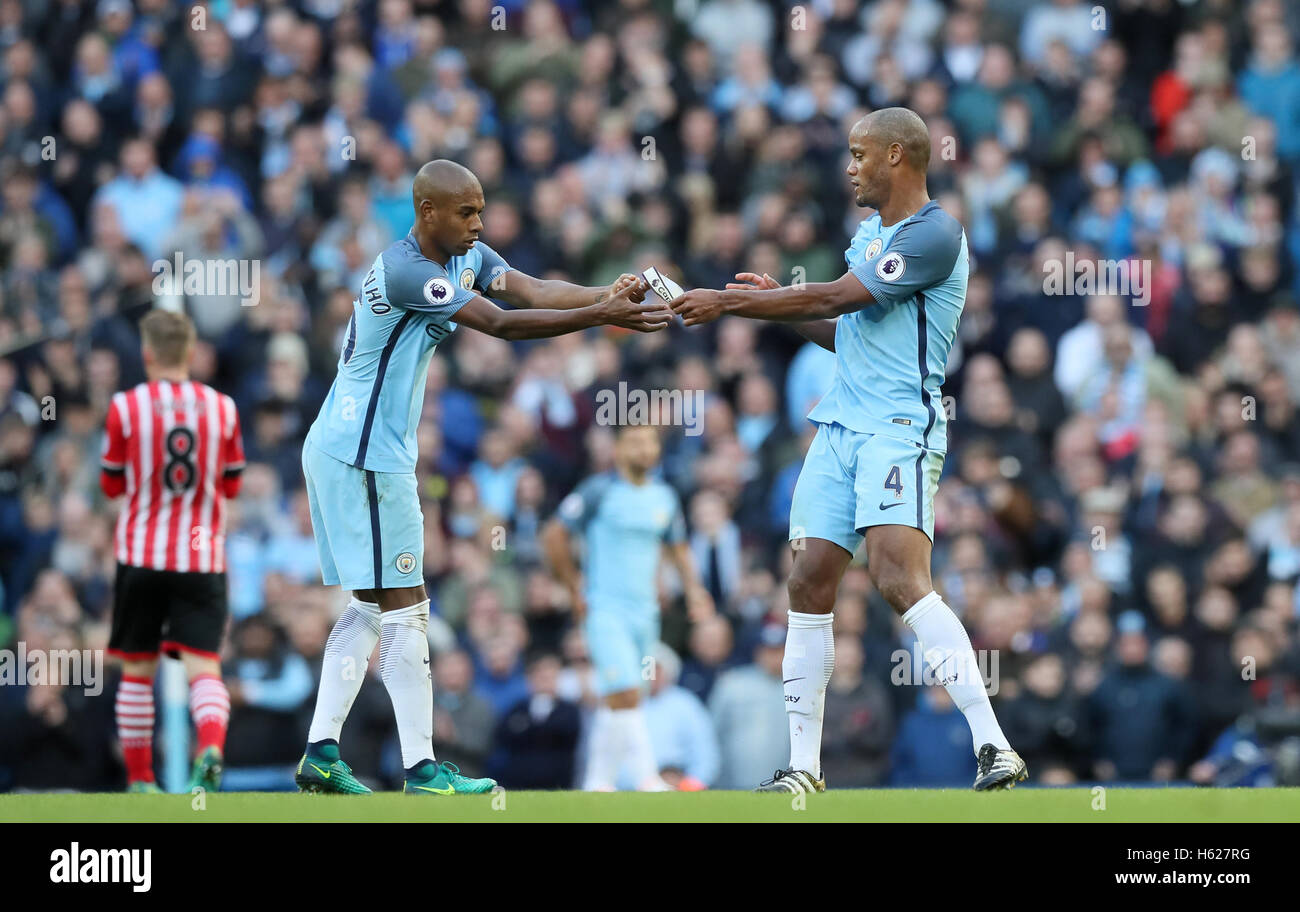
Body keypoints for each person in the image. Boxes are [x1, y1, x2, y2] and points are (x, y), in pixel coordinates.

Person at [671, 108, 1027, 792]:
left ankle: (993, 744)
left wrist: (728, 301)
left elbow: (841, 294)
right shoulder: (871, 234)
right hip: (839, 426)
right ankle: (803, 767)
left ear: (898, 155)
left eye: (860, 153)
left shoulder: (934, 233)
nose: (850, 166)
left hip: (898, 425)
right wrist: (780, 305)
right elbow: (846, 330)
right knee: (805, 580)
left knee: (898, 578)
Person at [296, 159, 671, 797]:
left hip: (356, 448)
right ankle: (421, 771)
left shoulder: (464, 253)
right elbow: (499, 324)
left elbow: (527, 290)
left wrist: (606, 295)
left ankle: (321, 754)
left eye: (481, 209)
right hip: (360, 450)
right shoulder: (408, 269)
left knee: (368, 606)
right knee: (406, 607)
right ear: (426, 211)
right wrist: (601, 316)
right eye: (466, 212)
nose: (478, 222)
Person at [100, 308, 246, 793]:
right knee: (204, 664)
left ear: (146, 354)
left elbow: (110, 482)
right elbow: (231, 484)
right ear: (189, 352)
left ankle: (142, 780)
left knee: (138, 670)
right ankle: (211, 746)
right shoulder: (223, 408)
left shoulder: (126, 406)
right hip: (201, 556)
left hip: (141, 554)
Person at [541, 424, 714, 791]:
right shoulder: (599, 490)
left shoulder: (664, 497)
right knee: (626, 690)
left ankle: (597, 781)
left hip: (645, 614)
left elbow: (679, 548)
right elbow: (554, 533)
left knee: (622, 697)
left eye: (651, 442)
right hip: (605, 609)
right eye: (635, 442)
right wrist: (573, 586)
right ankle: (647, 777)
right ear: (618, 449)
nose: (645, 449)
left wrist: (695, 590)